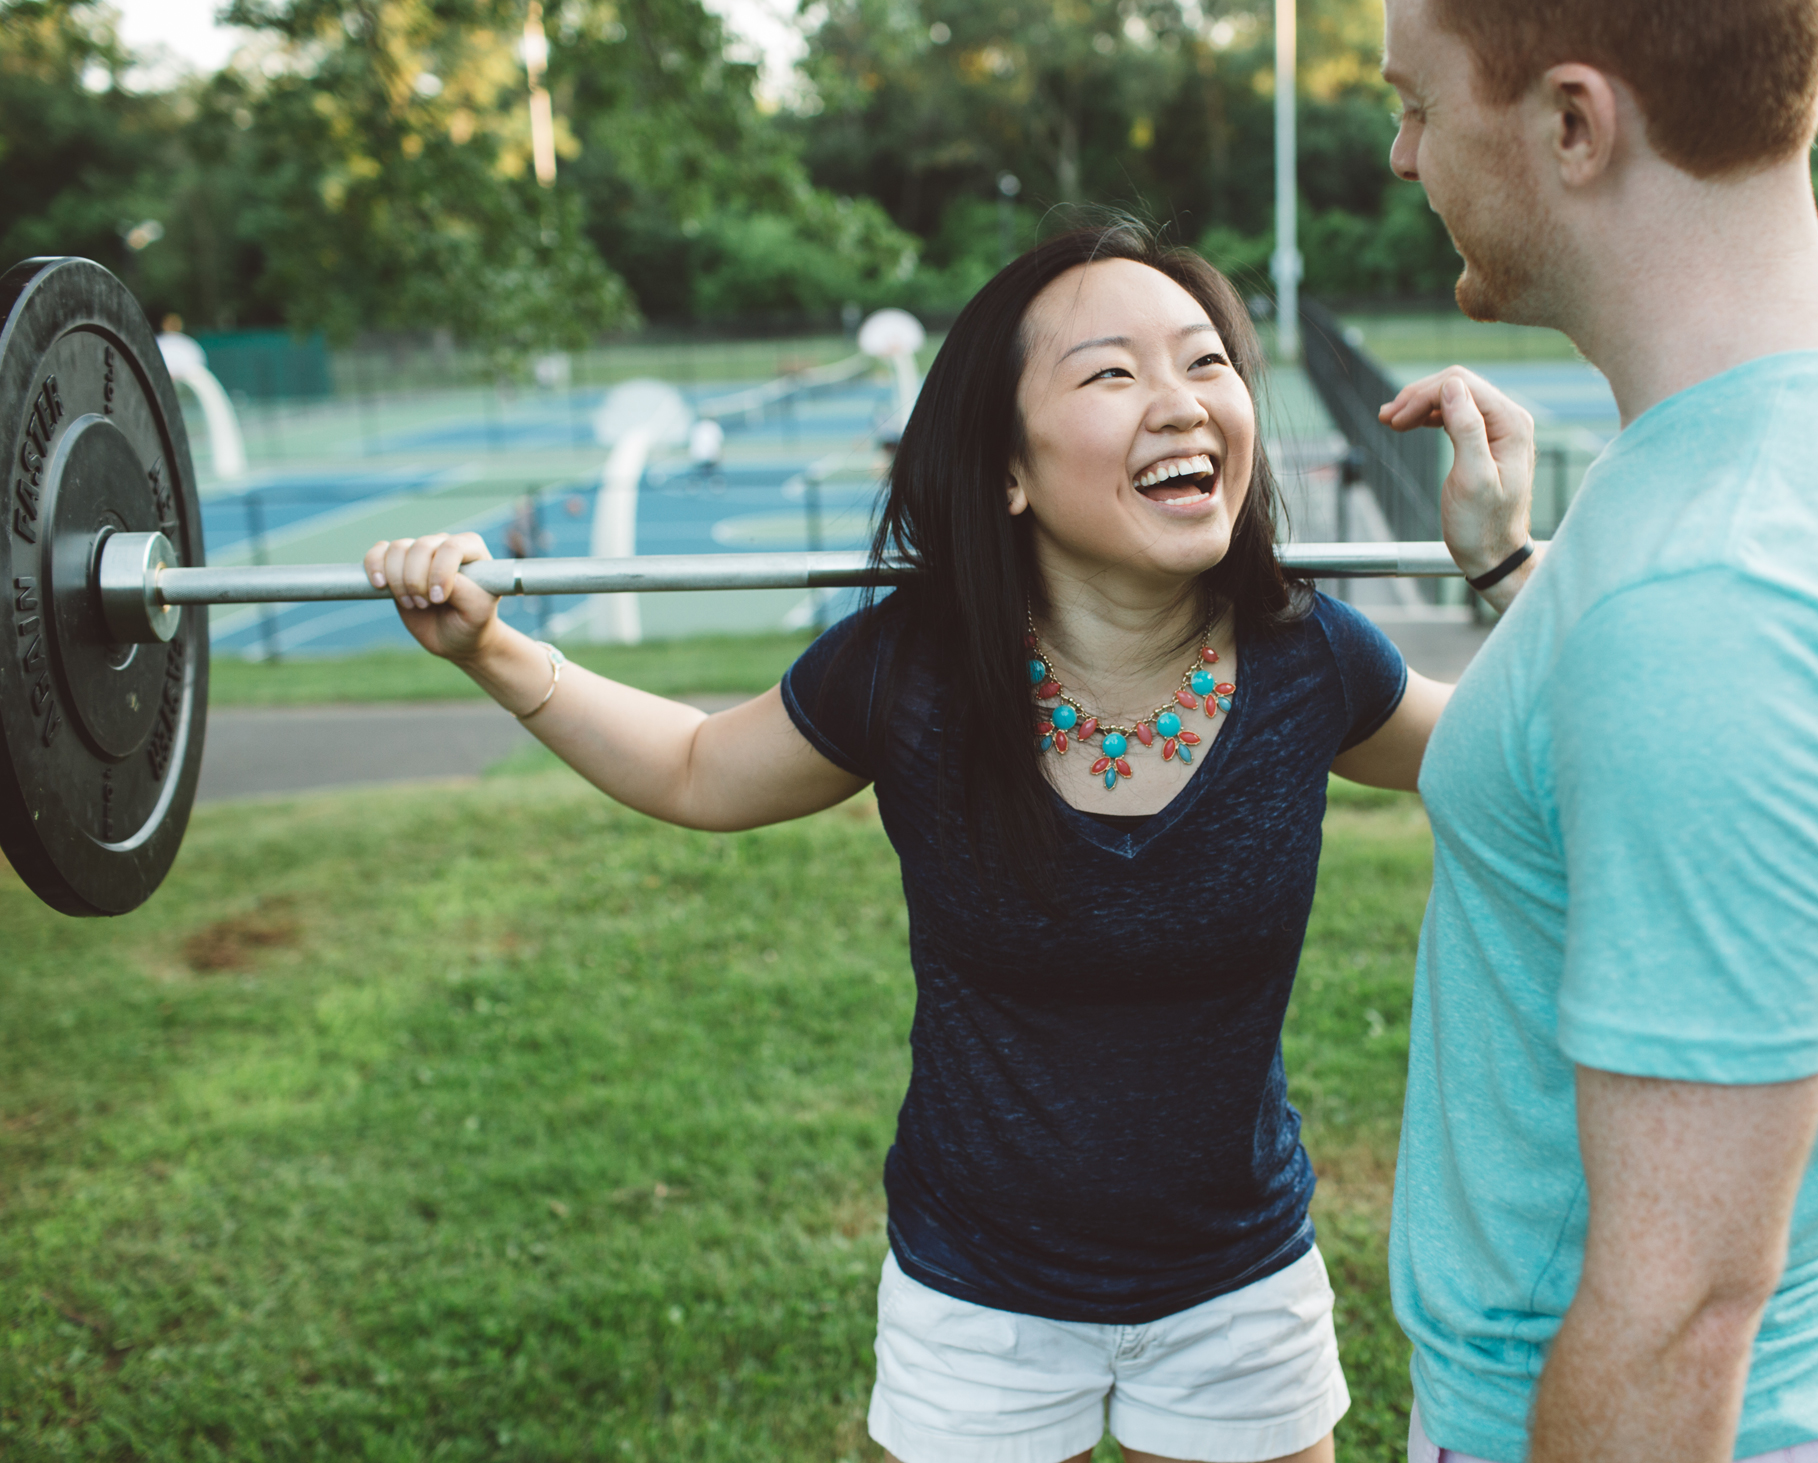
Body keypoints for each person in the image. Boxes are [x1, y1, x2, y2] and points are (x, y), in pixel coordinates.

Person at [361, 222, 1537, 1463]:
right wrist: (491, 648)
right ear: (1004, 472)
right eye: (1110, 373)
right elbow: (697, 768)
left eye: (1204, 362)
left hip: (1236, 1287)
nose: (1181, 402)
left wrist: (1508, 561)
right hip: (978, 1302)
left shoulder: (1313, 660)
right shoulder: (909, 670)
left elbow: (1536, 760)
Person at [1374, 2, 1818, 1461]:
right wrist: (1514, 576)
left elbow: (1678, 1313)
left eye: (1413, 105)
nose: (1405, 158)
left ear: (1570, 122)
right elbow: (1678, 753)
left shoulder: (1717, 599)